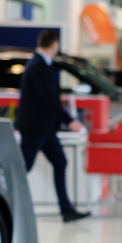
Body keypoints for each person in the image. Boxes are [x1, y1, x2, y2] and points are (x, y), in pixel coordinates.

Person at [15, 30, 90, 223]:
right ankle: (10, 205)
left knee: (60, 162)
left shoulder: (37, 64)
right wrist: (70, 120)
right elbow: (48, 99)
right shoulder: (39, 65)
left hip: (44, 129)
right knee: (22, 169)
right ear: (55, 44)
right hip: (35, 129)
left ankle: (66, 210)